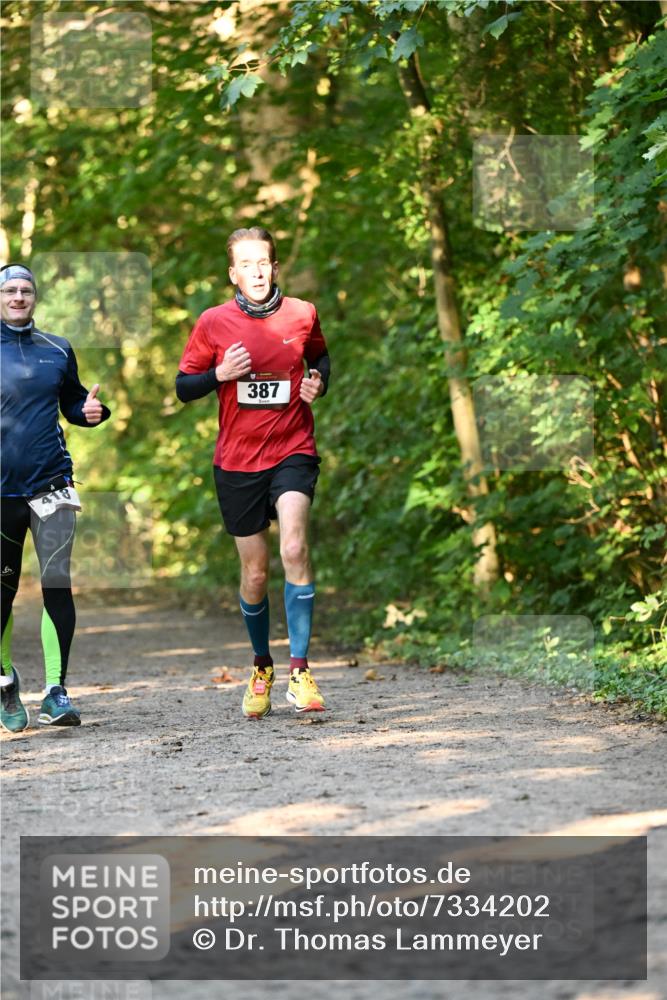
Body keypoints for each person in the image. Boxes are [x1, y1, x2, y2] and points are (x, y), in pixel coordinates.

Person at [175, 227, 330, 719]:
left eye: (263, 262)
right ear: (233, 274)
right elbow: (183, 386)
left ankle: (300, 670)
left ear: (275, 267)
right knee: (257, 573)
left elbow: (320, 356)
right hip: (237, 462)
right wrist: (218, 375)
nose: (257, 272)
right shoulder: (213, 322)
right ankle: (262, 665)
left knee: (294, 547)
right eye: (246, 264)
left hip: (292, 448)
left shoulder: (302, 313)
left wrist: (317, 382)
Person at [0, 263, 110, 732]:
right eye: (10, 290)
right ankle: (5, 681)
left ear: (35, 297)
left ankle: (54, 692)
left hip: (52, 486)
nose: (18, 297)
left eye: (25, 290)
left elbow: (75, 404)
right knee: (2, 592)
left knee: (57, 586)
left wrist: (91, 413)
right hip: (1, 491)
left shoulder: (57, 349)